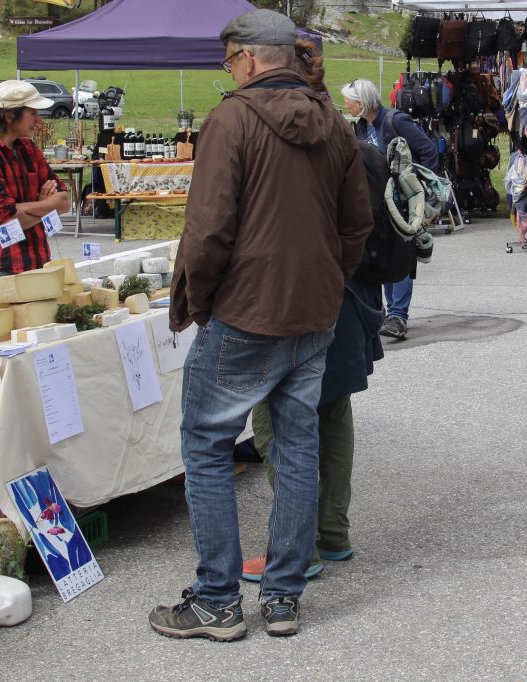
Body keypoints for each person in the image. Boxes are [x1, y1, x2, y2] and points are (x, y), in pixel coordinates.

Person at [149, 9, 372, 641]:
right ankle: (282, 598)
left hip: (248, 310)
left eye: (228, 61)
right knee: (297, 447)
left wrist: (198, 302)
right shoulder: (333, 123)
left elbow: (207, 229)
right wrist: (326, 280)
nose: (229, 71)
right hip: (312, 312)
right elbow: (356, 225)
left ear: (248, 58)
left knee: (207, 445)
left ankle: (218, 600)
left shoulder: (232, 119)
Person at [241, 38, 385, 582]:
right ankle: (331, 535)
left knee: (276, 424)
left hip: (287, 302)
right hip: (343, 296)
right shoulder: (345, 137)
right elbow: (357, 225)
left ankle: (298, 548)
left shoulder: (273, 135)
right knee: (332, 413)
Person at [342, 78, 436, 339]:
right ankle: (389, 314)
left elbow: (428, 150)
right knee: (384, 255)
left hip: (402, 204)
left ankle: (398, 315)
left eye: (349, 100)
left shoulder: (395, 121)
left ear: (362, 102)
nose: (346, 105)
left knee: (402, 255)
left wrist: (420, 189)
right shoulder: (362, 128)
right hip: (377, 205)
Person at [0, 80, 69, 280]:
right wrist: (45, 208)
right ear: (10, 116)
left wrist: (22, 208)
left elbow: (64, 202)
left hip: (39, 261)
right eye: (33, 113)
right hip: (3, 267)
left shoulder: (29, 148)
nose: (38, 121)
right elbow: (8, 219)